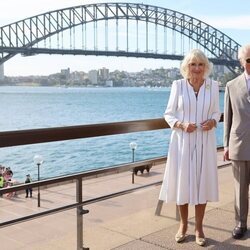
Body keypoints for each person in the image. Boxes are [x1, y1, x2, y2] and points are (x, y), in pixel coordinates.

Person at [159, 49, 221, 246]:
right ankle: (183, 225)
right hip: (182, 142)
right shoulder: (178, 85)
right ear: (187, 67)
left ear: (206, 67)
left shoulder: (213, 86)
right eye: (193, 64)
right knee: (183, 183)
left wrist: (213, 121)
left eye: (200, 64)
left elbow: (217, 111)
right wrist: (181, 125)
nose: (196, 68)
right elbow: (168, 114)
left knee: (202, 183)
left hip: (205, 140)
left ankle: (199, 228)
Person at [223, 44, 250, 239]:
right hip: (239, 144)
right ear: (241, 62)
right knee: (239, 188)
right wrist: (225, 145)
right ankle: (240, 224)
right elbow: (228, 119)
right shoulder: (231, 86)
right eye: (248, 60)